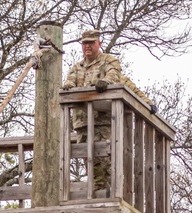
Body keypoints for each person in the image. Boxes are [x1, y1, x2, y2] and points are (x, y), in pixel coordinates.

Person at [62, 28, 152, 192]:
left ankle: (112, 192)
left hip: (102, 121)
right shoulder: (77, 67)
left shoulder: (109, 61)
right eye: (84, 44)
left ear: (99, 43)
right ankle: (98, 192)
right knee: (88, 159)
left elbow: (116, 77)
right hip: (82, 122)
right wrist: (68, 87)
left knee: (106, 158)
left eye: (91, 43)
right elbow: (69, 83)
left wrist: (105, 82)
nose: (87, 47)